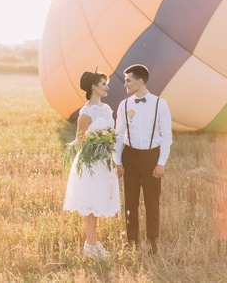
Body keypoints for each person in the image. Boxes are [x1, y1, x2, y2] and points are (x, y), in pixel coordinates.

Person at [114, 64, 172, 254]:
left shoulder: (159, 104)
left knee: (152, 201)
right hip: (130, 156)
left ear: (140, 81)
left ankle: (153, 241)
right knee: (130, 201)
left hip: (151, 156)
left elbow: (167, 136)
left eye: (128, 80)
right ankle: (132, 241)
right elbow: (119, 135)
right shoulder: (124, 105)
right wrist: (118, 161)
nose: (125, 84)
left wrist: (161, 162)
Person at [63, 70, 120, 259]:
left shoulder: (107, 109)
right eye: (104, 84)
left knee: (98, 201)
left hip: (105, 161)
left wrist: (109, 143)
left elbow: (112, 132)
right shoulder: (85, 113)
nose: (107, 87)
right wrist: (96, 143)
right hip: (90, 161)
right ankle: (91, 245)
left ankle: (93, 243)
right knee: (90, 203)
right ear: (94, 87)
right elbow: (79, 140)